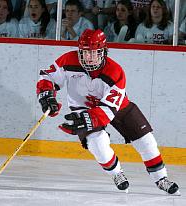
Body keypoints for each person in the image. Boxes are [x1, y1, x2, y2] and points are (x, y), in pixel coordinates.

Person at [36, 28, 180, 195]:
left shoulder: (115, 71)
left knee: (146, 142)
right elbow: (48, 76)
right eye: (84, 52)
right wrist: (47, 96)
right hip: (82, 108)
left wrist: (88, 120)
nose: (88, 57)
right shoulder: (68, 60)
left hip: (117, 106)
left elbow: (108, 110)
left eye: (94, 53)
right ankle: (116, 173)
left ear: (103, 51)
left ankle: (161, 178)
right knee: (98, 144)